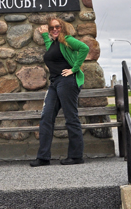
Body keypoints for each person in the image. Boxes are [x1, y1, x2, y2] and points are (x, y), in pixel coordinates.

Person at [30, 15, 89, 167]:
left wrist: (74, 69)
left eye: (57, 27)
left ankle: (76, 156)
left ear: (62, 27)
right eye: (52, 28)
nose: (55, 30)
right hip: (55, 83)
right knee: (46, 117)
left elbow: (84, 48)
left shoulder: (67, 40)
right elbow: (51, 50)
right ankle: (43, 157)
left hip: (67, 82)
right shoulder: (56, 43)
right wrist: (45, 34)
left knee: (71, 117)